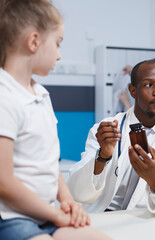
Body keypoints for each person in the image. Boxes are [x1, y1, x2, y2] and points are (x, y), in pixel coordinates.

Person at [0, 1, 111, 239]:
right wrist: (56, 214)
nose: (59, 55)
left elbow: (51, 163)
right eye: (58, 44)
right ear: (33, 41)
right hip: (11, 218)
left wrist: (68, 202)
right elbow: (3, 182)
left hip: (48, 215)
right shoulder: (4, 97)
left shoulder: (41, 96)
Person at [67, 60, 155, 214]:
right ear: (133, 91)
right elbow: (78, 192)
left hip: (146, 219)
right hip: (102, 216)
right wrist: (103, 157)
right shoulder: (105, 129)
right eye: (149, 85)